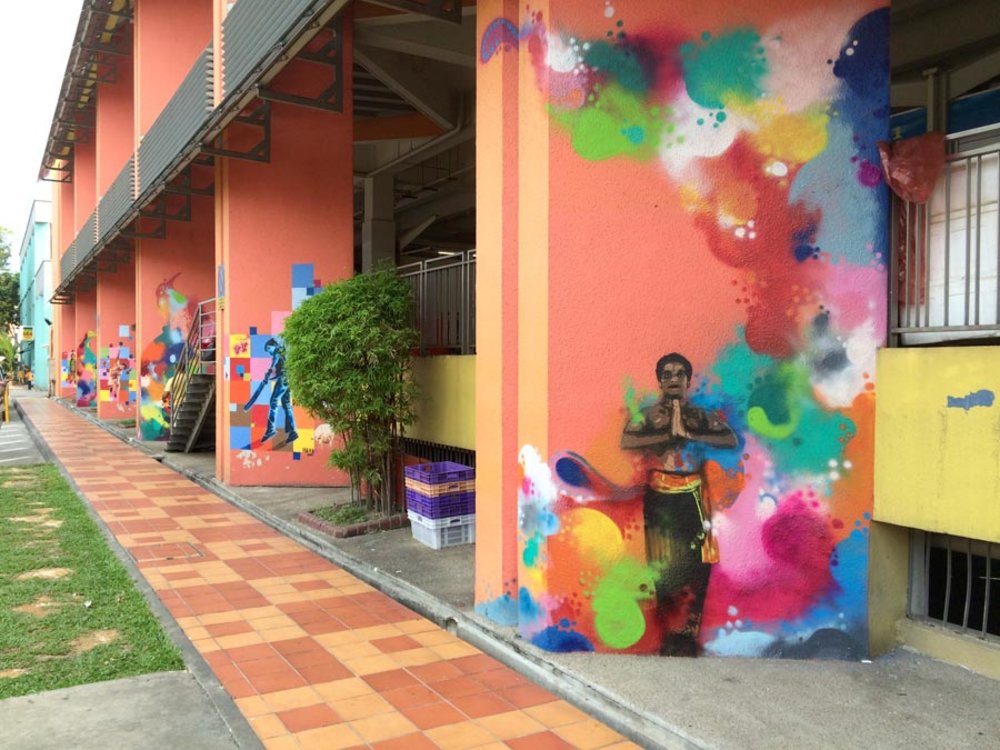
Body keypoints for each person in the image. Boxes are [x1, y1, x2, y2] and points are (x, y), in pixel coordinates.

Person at [621, 352, 738, 656]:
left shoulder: (699, 416)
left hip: (691, 498)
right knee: (662, 566)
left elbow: (729, 439)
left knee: (695, 567)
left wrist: (689, 433)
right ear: (660, 380)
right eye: (667, 374)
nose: (673, 379)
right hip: (660, 497)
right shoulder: (648, 416)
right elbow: (628, 441)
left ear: (688, 380)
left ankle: (689, 633)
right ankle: (667, 633)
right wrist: (665, 434)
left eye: (679, 374)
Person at [244, 338, 298, 444]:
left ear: (274, 345)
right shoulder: (284, 352)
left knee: (273, 402)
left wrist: (269, 372)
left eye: (269, 348)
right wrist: (268, 378)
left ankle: (270, 430)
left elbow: (274, 365)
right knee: (286, 405)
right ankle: (292, 432)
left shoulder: (277, 353)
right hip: (288, 379)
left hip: (284, 380)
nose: (268, 351)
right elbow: (280, 372)